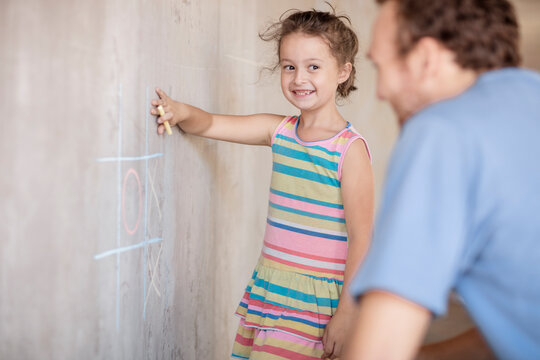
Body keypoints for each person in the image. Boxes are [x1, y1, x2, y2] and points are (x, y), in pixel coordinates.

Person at [151, 8, 374, 360]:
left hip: (316, 304)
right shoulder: (280, 132)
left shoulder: (349, 149)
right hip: (273, 289)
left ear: (343, 72)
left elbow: (363, 237)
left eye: (313, 66)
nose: (300, 78)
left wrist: (348, 313)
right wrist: (179, 111)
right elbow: (210, 124)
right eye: (289, 66)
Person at [344, 0, 540, 359]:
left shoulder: (441, 131)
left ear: (426, 59)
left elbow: (380, 350)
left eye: (381, 67)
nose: (380, 92)